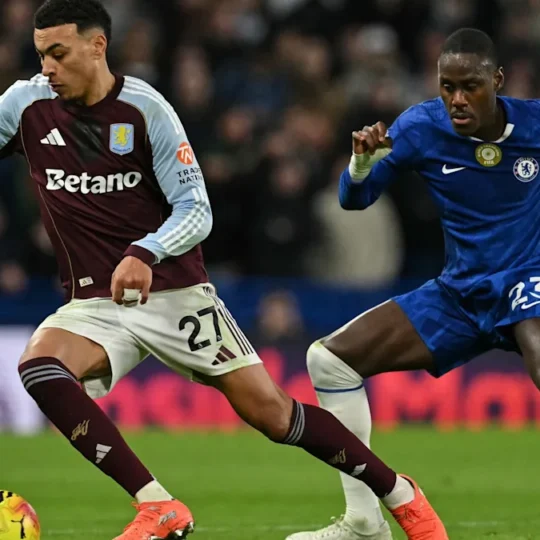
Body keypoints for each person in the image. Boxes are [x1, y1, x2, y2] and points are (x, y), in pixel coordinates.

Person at [6, 1, 447, 539]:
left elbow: (197, 209)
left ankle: (399, 493)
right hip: (94, 303)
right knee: (40, 368)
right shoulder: (25, 104)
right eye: (41, 55)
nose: (47, 68)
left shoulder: (146, 111)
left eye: (58, 53)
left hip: (172, 292)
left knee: (273, 414)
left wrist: (145, 252)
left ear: (97, 46)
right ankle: (157, 506)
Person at [288, 27, 540, 540]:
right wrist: (362, 163)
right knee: (329, 360)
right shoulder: (421, 127)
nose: (457, 99)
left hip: (527, 279)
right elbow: (353, 199)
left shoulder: (535, 124)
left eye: (470, 86)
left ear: (497, 81)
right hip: (461, 294)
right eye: (448, 86)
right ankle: (364, 521)